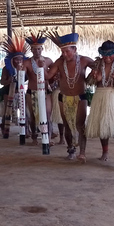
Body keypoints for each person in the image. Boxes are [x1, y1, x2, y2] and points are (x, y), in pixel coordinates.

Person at [41, 32, 95, 161]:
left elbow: (99, 67)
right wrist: (42, 67)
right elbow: (48, 76)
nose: (65, 54)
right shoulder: (60, 62)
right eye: (63, 52)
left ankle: (82, 152)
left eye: (67, 51)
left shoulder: (84, 60)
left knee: (80, 124)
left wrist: (91, 77)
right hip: (63, 97)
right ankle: (71, 150)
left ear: (75, 49)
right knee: (66, 125)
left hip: (80, 96)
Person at [24, 34, 54, 144]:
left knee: (47, 114)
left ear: (42, 49)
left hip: (46, 92)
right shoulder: (26, 63)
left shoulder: (48, 61)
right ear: (31, 50)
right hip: (31, 91)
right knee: (32, 116)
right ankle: (34, 137)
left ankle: (48, 138)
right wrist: (20, 70)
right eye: (35, 49)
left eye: (39, 49)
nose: (37, 51)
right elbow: (22, 77)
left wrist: (53, 83)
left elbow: (55, 73)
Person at [0, 36, 30, 137]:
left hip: (20, 92)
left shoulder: (25, 68)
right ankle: (4, 128)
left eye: (20, 59)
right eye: (16, 59)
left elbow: (29, 78)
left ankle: (26, 130)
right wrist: (9, 80)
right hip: (8, 92)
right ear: (12, 60)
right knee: (7, 112)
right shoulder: (6, 69)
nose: (18, 61)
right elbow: (2, 82)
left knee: (25, 112)